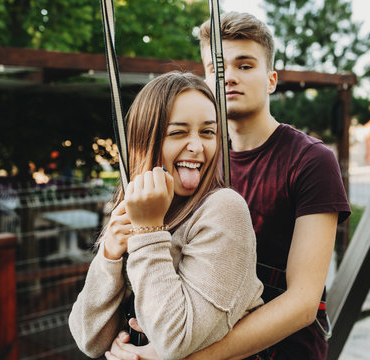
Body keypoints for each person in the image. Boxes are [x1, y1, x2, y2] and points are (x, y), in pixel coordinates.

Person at [108, 11, 351, 360]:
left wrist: (181, 358)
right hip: (192, 337)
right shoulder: (194, 160)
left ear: (271, 79)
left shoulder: (310, 160)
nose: (229, 77)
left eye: (245, 65)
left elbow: (302, 303)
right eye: (217, 68)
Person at [68, 71, 264, 360]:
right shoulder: (135, 209)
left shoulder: (224, 208)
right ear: (145, 141)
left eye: (208, 132)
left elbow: (176, 340)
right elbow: (89, 339)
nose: (197, 147)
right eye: (178, 132)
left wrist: (148, 233)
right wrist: (109, 256)